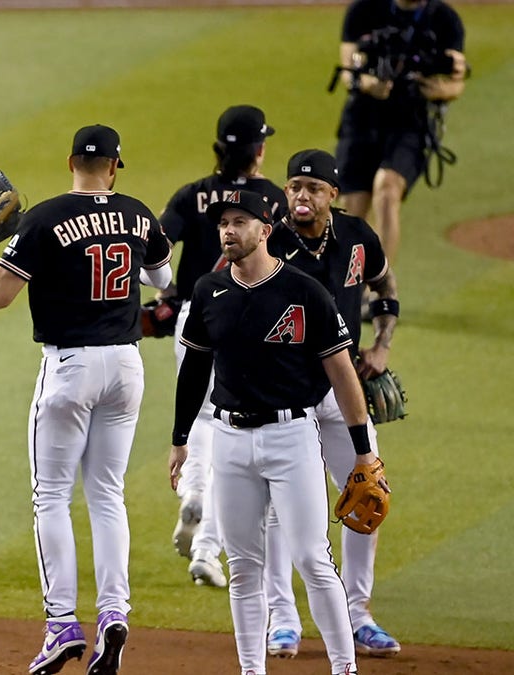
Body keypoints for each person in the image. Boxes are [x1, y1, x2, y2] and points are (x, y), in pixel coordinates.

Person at [0, 124, 173, 675]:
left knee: (51, 497)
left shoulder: (44, 219)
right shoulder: (137, 212)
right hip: (126, 367)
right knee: (107, 494)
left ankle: (61, 623)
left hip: (70, 369)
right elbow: (162, 277)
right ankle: (114, 613)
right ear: (114, 166)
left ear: (70, 162)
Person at [168, 189, 383, 675]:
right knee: (244, 567)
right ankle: (251, 670)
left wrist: (363, 452)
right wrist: (181, 439)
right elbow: (195, 370)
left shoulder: (305, 292)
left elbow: (342, 371)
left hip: (291, 439)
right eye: (224, 222)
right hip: (229, 441)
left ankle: (344, 668)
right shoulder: (209, 290)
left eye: (240, 222)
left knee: (311, 558)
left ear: (266, 231)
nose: (228, 230)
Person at [261, 149, 401, 659]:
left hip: (344, 391)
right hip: (286, 393)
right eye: (294, 185)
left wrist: (381, 346)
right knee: (281, 507)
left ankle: (358, 614)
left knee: (368, 495)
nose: (301, 195)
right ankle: (282, 617)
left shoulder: (358, 238)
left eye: (312, 187)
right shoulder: (266, 240)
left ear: (332, 196)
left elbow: (385, 290)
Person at [158, 105, 288, 589]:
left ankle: (192, 491)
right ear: (257, 149)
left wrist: (164, 294)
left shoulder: (193, 195)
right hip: (251, 317)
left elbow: (157, 242)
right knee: (234, 425)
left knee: (200, 414)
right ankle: (209, 538)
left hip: (195, 314)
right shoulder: (272, 200)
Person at [335, 0, 467, 263]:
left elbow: (456, 82)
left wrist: (435, 89)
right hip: (362, 120)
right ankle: (350, 290)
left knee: (387, 189)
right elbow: (348, 71)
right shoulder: (363, 10)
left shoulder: (444, 19)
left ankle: (379, 287)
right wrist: (368, 83)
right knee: (352, 213)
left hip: (411, 123)